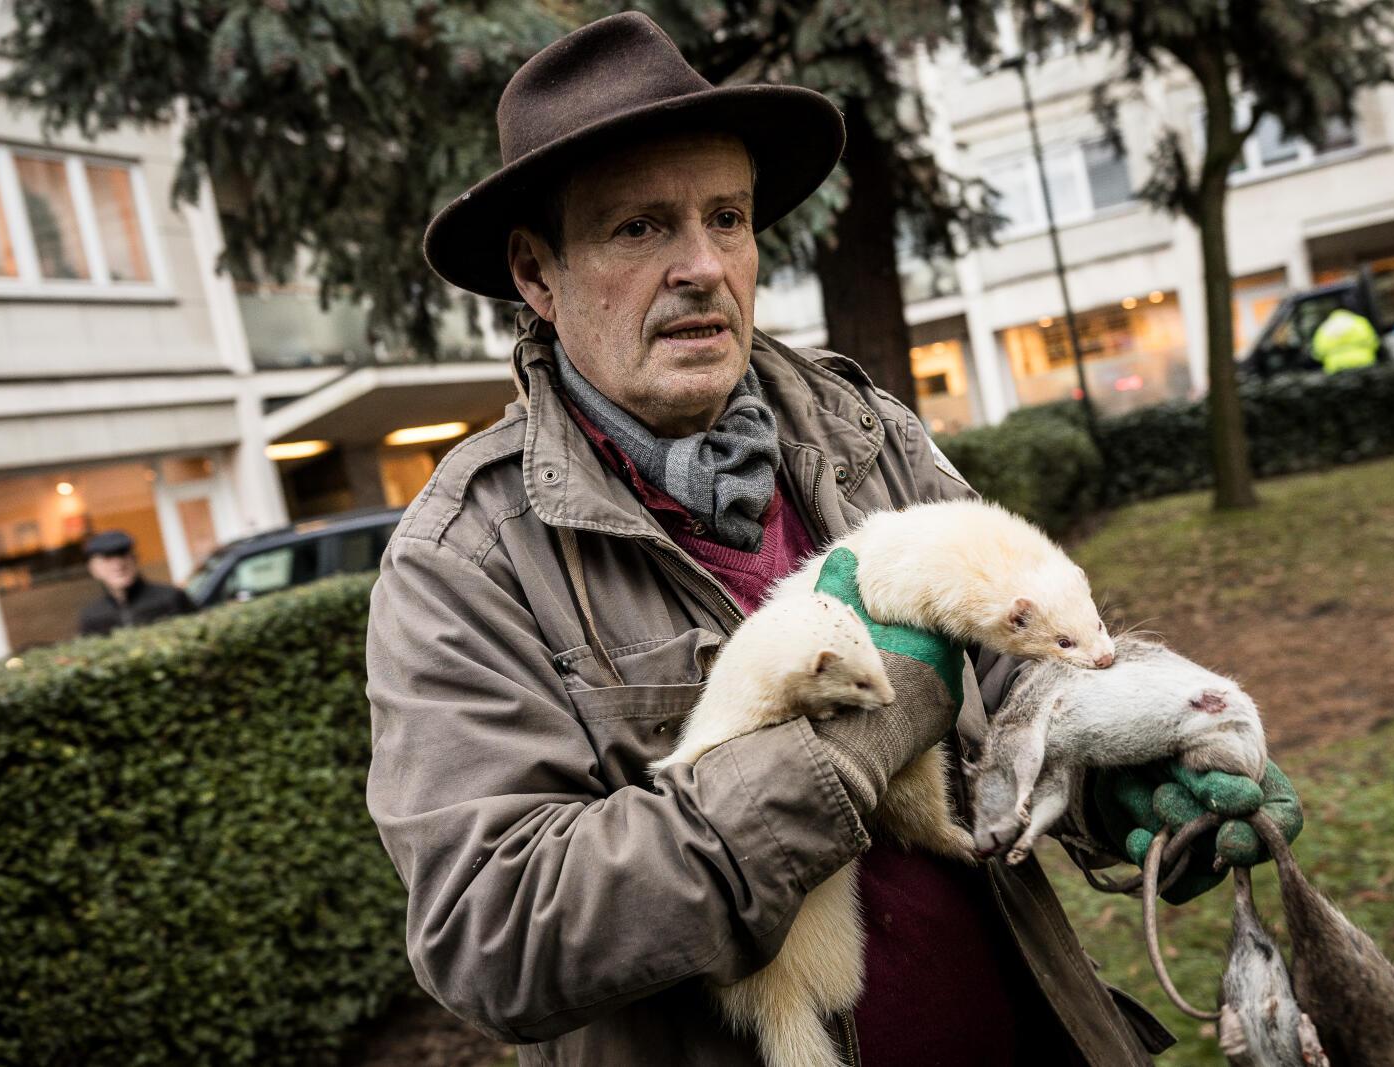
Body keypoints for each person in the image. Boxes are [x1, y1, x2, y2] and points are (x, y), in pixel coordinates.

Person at [365, 13, 1302, 1065]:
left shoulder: (867, 433)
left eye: (727, 216)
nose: (703, 266)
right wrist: (848, 745)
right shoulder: (465, 557)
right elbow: (495, 934)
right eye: (640, 229)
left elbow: (1014, 683)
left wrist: (1112, 768)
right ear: (536, 274)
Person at [77, 530, 195, 636]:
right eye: (107, 560)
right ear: (94, 569)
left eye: (123, 556)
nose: (118, 565)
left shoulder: (171, 598)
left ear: (135, 559)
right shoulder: (92, 617)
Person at [1311, 303, 1380, 374]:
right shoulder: (1359, 322)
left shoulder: (1323, 329)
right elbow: (1374, 342)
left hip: (1336, 368)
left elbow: (1318, 354)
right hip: (1363, 362)